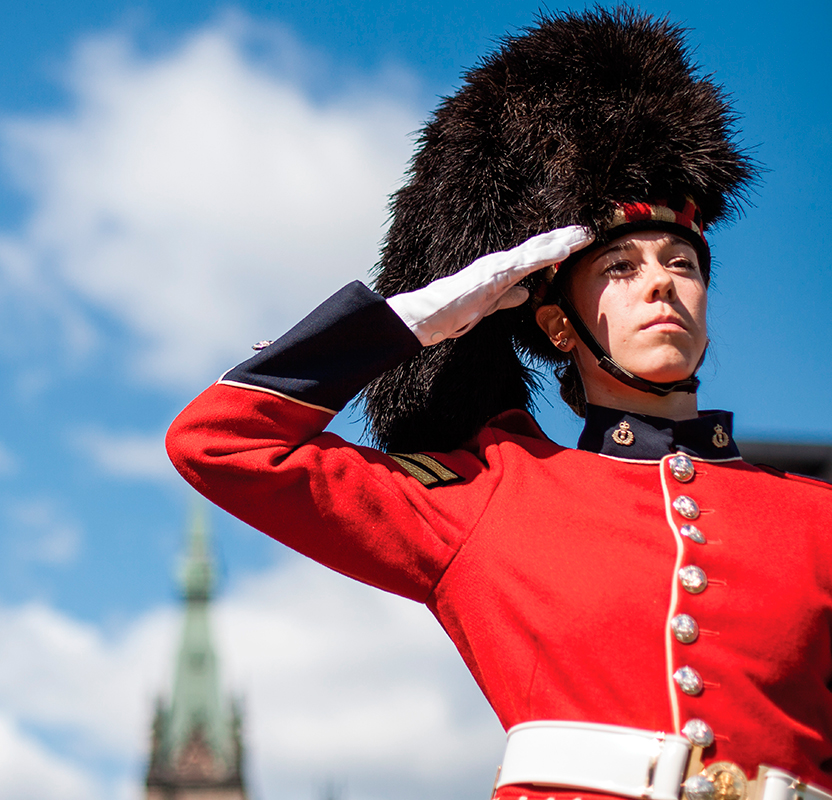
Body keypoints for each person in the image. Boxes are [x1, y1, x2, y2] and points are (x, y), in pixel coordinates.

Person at [165, 9, 832, 800]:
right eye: (619, 266)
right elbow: (218, 445)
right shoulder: (490, 495)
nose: (662, 281)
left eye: (682, 261)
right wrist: (414, 320)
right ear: (556, 323)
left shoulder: (815, 518)